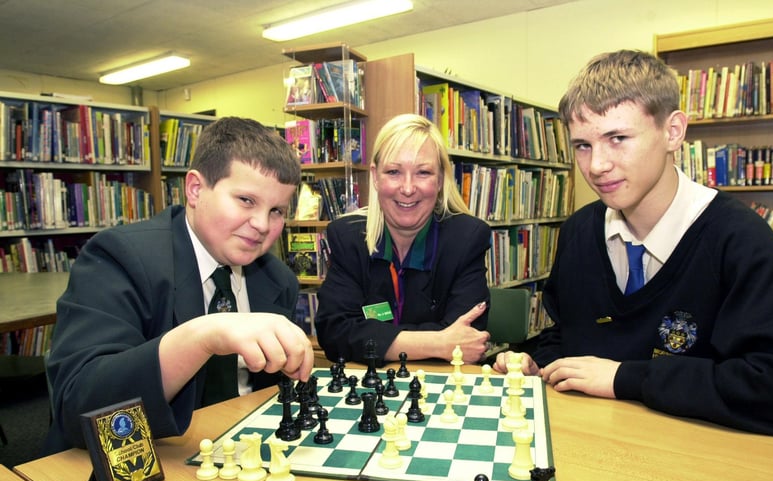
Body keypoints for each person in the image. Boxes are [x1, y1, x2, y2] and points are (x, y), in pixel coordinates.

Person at [493, 50, 773, 437]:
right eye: (582, 145)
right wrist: (543, 363)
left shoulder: (740, 239)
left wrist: (626, 378)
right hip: (596, 447)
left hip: (698, 462)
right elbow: (566, 332)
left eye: (617, 138)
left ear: (673, 132)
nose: (597, 166)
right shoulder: (578, 232)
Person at [45, 117, 314, 453]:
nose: (261, 224)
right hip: (135, 463)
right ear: (195, 189)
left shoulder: (278, 281)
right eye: (246, 200)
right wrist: (204, 336)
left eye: (276, 210)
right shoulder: (120, 257)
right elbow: (78, 406)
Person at [315, 113, 491, 367]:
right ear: (375, 176)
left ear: (440, 179)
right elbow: (334, 333)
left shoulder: (467, 238)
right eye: (394, 172)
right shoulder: (347, 236)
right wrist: (440, 342)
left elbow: (468, 339)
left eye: (423, 172)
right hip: (371, 390)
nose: (407, 188)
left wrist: (372, 336)